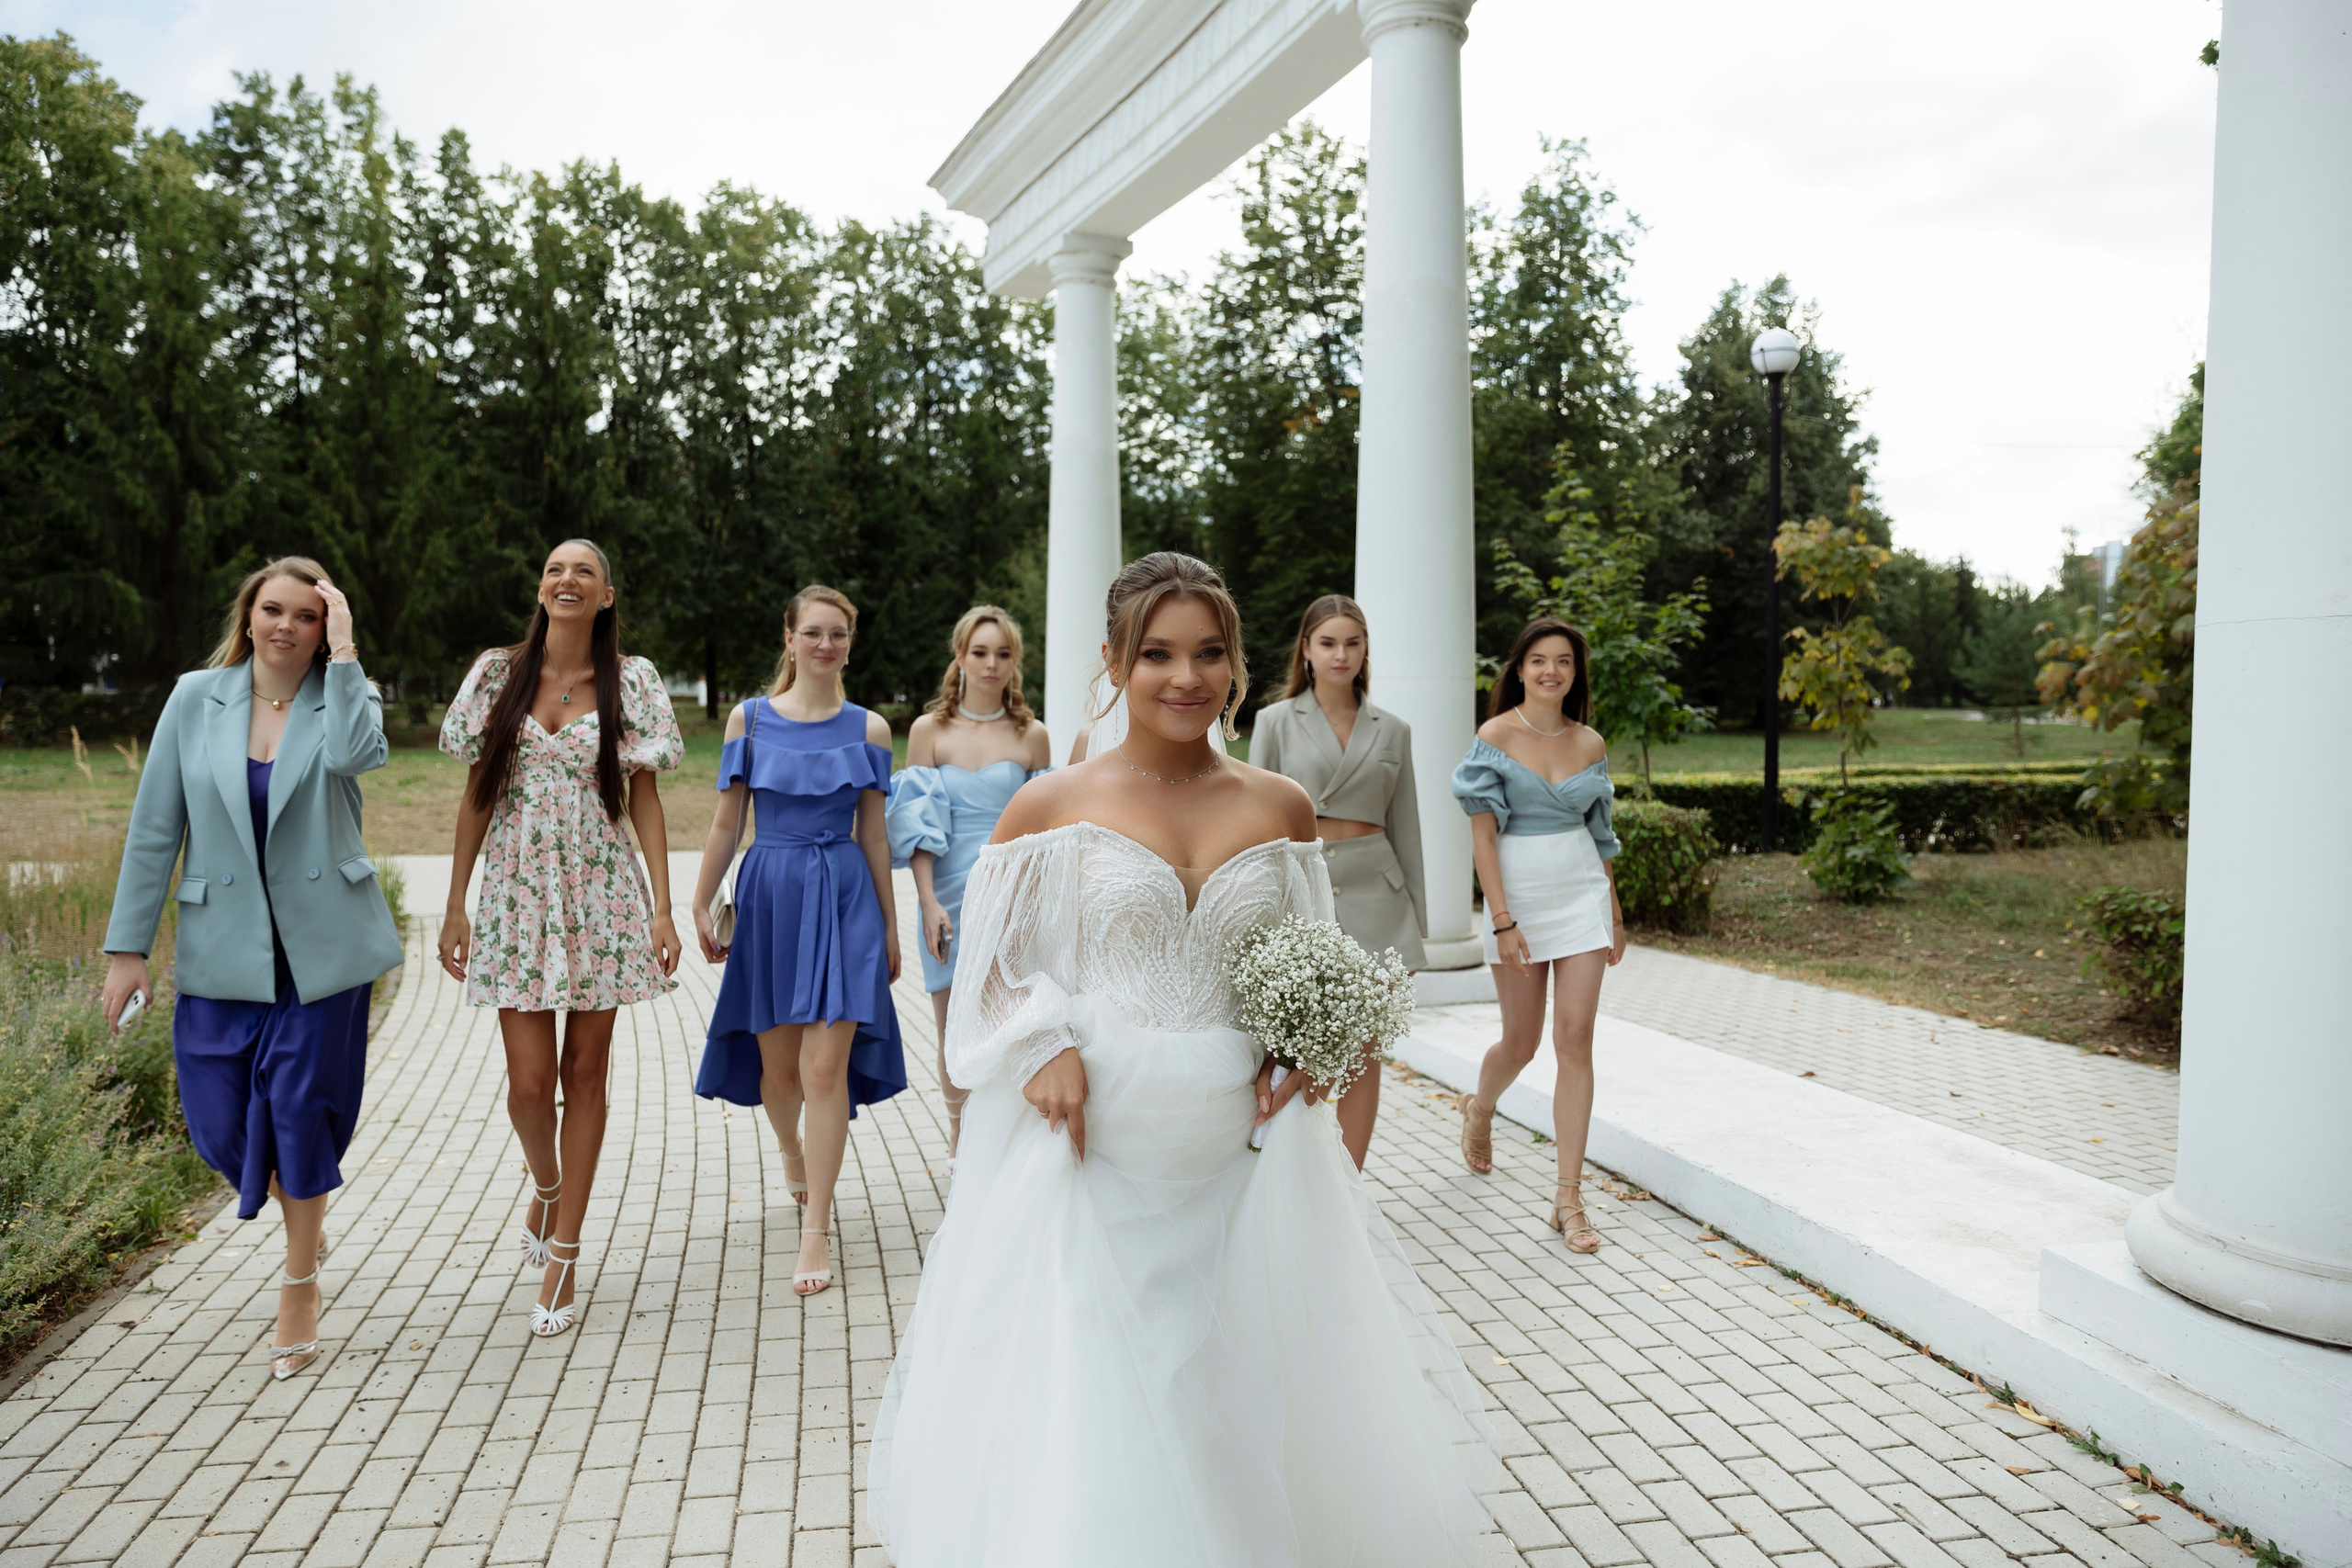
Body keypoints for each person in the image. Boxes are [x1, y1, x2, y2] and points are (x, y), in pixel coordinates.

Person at [871, 553, 1493, 1568]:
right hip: (1091, 1146)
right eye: (1156, 653)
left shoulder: (1280, 806)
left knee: (1233, 1378)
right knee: (1105, 1390)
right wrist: (1039, 1045)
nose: (1184, 676)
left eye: (1208, 652)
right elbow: (983, 977)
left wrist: (1305, 1045)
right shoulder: (1049, 805)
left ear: (1239, 665)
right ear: (1113, 661)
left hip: (1240, 1154)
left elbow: (1304, 959)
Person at [102, 557, 404, 1382]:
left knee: (301, 1111)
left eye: (307, 616)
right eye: (273, 609)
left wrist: (345, 655)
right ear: (248, 615)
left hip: (323, 952)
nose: (286, 625)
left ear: (324, 627)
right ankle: (302, 1208)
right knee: (220, 1122)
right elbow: (155, 825)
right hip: (222, 947)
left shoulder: (347, 694)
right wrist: (127, 948)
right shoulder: (194, 699)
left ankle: (299, 1279)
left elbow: (356, 755)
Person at [436, 539, 683, 1336]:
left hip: (601, 895)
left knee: (587, 1071)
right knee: (528, 1085)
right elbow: (479, 793)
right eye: (553, 569)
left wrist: (663, 908)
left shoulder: (632, 681)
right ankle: (545, 1184)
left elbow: (643, 799)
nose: (565, 579)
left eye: (583, 571)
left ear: (606, 595)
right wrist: (454, 902)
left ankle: (566, 1251)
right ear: (541, 589)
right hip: (515, 891)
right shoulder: (496, 674)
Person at [690, 585, 903, 1298]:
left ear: (850, 640)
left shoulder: (871, 729)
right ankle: (791, 1151)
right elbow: (727, 821)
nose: (825, 644)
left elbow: (874, 833)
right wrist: (699, 895)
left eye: (837, 633)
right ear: (788, 638)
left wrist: (891, 924)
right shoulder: (746, 719)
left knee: (822, 1071)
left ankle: (816, 1225)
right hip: (772, 890)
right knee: (776, 1070)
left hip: (844, 896)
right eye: (812, 632)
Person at [1450, 616, 1627, 1254]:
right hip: (1518, 901)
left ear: (1575, 673)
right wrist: (1500, 920)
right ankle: (1481, 1107)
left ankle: (1568, 1197)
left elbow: (1601, 835)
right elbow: (1482, 839)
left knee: (1574, 1038)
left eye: (1564, 662)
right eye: (1539, 661)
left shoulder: (1590, 742)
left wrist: (1614, 907)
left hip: (1581, 894)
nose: (1551, 671)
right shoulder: (1495, 736)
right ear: (1519, 668)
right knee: (1520, 1043)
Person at [1248, 592, 1426, 1168]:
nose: (1341, 654)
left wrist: (1415, 929)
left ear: (1365, 649)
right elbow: (1259, 825)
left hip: (1380, 896)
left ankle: (1349, 1183)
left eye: (1352, 642)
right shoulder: (1275, 721)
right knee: (1299, 1048)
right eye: (1328, 642)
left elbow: (1409, 827)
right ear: (1306, 650)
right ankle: (1293, 1177)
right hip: (1306, 890)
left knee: (1363, 1054)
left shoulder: (1393, 729)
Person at [886, 605, 1052, 1165]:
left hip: (1015, 895)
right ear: (960, 657)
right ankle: (961, 1140)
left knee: (1013, 1022)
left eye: (1003, 654)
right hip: (948, 895)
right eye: (980, 652)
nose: (991, 664)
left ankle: (1007, 1141)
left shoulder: (1033, 736)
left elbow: (1044, 834)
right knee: (952, 1026)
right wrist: (927, 901)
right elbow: (918, 826)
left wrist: (1030, 906)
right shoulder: (930, 731)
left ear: (1015, 663)